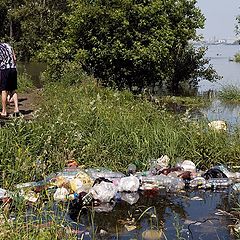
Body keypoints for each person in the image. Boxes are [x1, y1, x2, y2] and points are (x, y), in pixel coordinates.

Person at [0, 42, 19, 117]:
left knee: (4, 90)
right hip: (13, 68)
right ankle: (17, 109)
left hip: (5, 69)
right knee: (13, 90)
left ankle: (4, 111)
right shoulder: (8, 45)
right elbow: (15, 58)